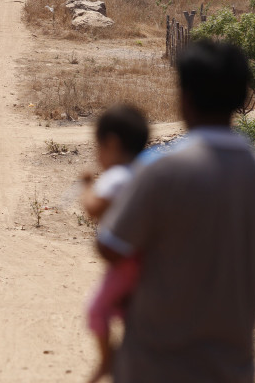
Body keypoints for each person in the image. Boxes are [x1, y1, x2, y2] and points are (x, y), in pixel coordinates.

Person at [96, 40, 255, 383]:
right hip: (232, 368)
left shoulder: (164, 170)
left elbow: (111, 246)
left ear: (186, 97)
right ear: (240, 97)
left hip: (159, 364)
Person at [81, 105, 149, 382]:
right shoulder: (145, 171)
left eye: (98, 148)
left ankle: (107, 360)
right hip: (146, 260)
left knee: (97, 309)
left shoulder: (118, 175)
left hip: (125, 262)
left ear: (111, 143)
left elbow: (94, 207)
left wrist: (86, 185)